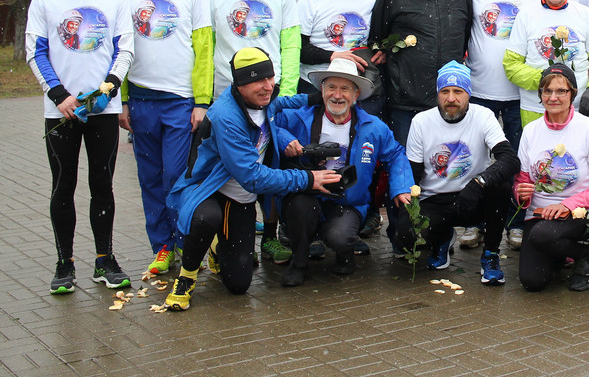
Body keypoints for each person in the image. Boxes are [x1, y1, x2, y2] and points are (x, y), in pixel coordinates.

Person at [163, 49, 341, 310]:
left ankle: (217, 247)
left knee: (238, 285)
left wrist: (318, 98)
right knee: (207, 218)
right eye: (259, 81)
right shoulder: (226, 116)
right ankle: (186, 276)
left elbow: (281, 103)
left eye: (270, 78)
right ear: (239, 85)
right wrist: (306, 179)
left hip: (241, 199)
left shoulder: (264, 97)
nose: (268, 86)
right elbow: (252, 178)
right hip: (211, 191)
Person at [27, 0, 134, 294]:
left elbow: (125, 49)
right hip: (62, 111)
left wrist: (109, 88)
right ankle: (64, 262)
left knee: (102, 184)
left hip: (103, 109)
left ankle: (104, 259)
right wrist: (60, 96)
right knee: (63, 186)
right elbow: (36, 52)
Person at [119, 0, 212, 275]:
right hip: (141, 100)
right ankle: (161, 246)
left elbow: (204, 48)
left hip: (180, 101)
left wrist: (201, 101)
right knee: (150, 177)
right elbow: (122, 49)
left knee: (176, 175)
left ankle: (185, 241)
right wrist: (124, 101)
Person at [272, 58, 412, 285]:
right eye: (332, 88)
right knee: (299, 208)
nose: (337, 95)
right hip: (309, 193)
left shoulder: (373, 127)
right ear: (322, 90)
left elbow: (396, 154)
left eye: (345, 89)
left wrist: (400, 187)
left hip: (347, 201)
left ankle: (345, 252)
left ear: (356, 95)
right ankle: (299, 262)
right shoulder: (299, 117)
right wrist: (285, 139)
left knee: (340, 237)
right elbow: (267, 121)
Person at [395, 62, 519, 284]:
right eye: (445, 92)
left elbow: (509, 159)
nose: (451, 98)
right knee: (405, 234)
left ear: (468, 94)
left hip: (473, 197)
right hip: (435, 199)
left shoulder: (483, 116)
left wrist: (479, 182)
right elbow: (412, 173)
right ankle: (441, 238)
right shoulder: (421, 121)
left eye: (458, 92)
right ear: (438, 94)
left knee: (500, 185)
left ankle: (491, 254)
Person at [466, 0, 542, 249]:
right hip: (480, 88)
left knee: (516, 161)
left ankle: (515, 222)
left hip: (520, 93)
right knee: (478, 160)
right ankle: (475, 221)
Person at [514, 65, 589, 292]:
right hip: (539, 216)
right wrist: (520, 193)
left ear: (573, 94)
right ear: (540, 95)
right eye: (547, 91)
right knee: (532, 281)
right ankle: (559, 253)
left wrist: (567, 205)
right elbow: (522, 178)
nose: (553, 97)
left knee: (543, 236)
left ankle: (585, 255)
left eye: (561, 91)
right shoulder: (531, 131)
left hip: (582, 212)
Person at [369, 0, 473, 145]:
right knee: (407, 168)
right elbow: (377, 40)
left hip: (449, 99)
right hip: (405, 103)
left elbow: (463, 38)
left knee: (445, 165)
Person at [298, 0, 377, 99]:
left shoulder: (373, 1)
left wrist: (381, 51)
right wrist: (332, 55)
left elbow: (378, 40)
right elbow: (298, 48)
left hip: (355, 86)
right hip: (313, 86)